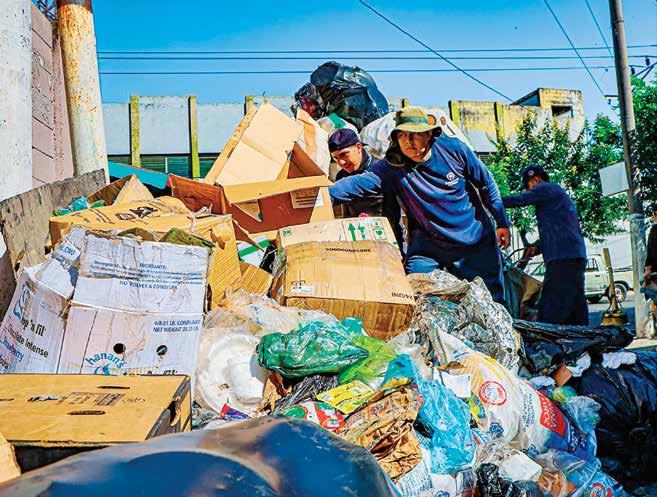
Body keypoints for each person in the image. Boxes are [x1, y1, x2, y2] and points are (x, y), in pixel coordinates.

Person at [329, 106, 511, 303]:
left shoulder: (454, 150)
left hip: (474, 241)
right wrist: (319, 195)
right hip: (429, 247)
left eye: (414, 135)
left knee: (492, 303)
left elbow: (486, 184)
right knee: (411, 296)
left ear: (429, 134)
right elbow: (356, 184)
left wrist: (502, 222)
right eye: (402, 135)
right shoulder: (392, 166)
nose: (408, 142)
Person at [502, 164, 588, 325]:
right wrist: (538, 247)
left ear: (535, 180)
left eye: (528, 187)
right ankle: (585, 336)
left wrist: (491, 200)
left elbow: (519, 200)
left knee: (550, 305)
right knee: (575, 304)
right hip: (574, 255)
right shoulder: (556, 196)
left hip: (561, 257)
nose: (528, 191)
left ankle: (547, 336)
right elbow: (559, 229)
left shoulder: (545, 188)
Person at [328, 128, 384, 218]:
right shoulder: (342, 176)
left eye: (344, 154)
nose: (341, 162)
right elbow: (346, 215)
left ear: (358, 147)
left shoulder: (379, 171)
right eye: (336, 158)